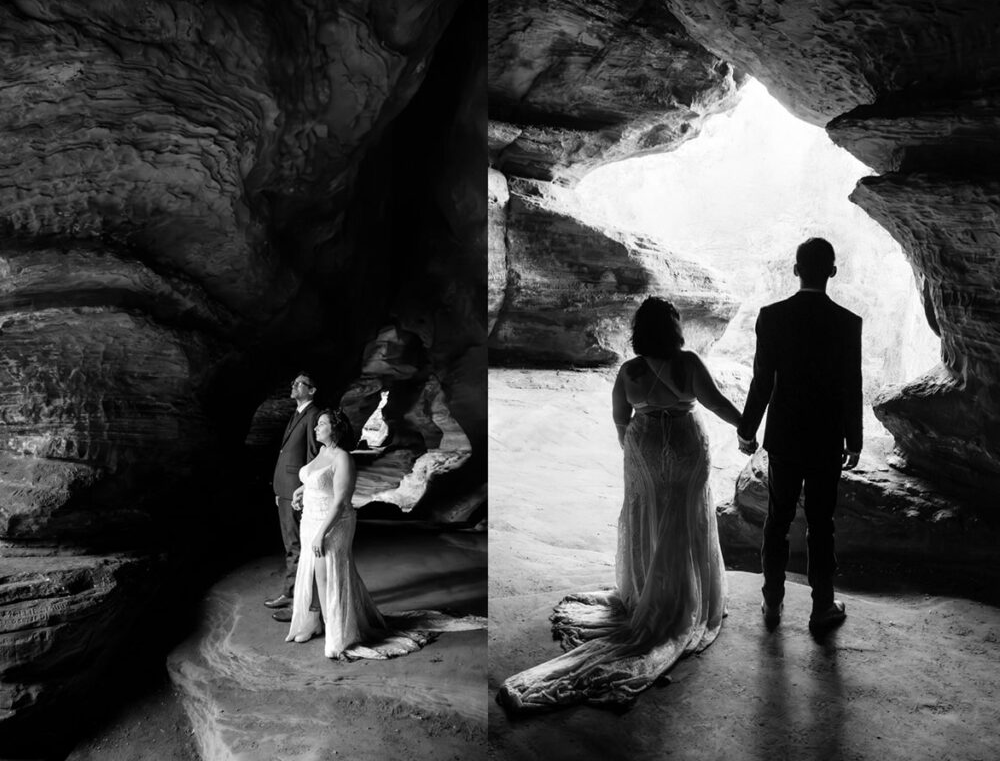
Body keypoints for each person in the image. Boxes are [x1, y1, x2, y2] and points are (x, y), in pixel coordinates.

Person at [497, 297, 745, 712]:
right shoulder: (688, 365)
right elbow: (716, 403)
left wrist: (634, 450)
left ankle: (648, 589)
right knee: (685, 518)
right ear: (674, 329)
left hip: (643, 445)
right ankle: (685, 599)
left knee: (647, 516)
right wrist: (746, 426)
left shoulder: (629, 371)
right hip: (685, 443)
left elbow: (620, 418)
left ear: (639, 331)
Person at [737, 237, 862, 634]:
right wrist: (854, 439)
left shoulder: (772, 316)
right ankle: (821, 607)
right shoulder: (847, 323)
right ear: (833, 271)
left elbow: (762, 381)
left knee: (777, 520)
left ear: (795, 270)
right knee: (821, 524)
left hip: (785, 436)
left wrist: (747, 429)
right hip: (826, 439)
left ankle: (772, 603)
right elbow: (850, 386)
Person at [285, 409, 441, 659]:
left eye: (321, 424)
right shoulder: (323, 452)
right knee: (312, 572)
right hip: (309, 518)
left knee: (327, 575)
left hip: (332, 522)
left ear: (334, 429)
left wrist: (321, 534)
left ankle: (335, 634)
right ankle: (313, 623)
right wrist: (300, 491)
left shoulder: (343, 458)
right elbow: (317, 479)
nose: (315, 428)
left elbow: (341, 501)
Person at [265, 372, 320, 622]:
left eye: (300, 384)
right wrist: (280, 490)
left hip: (296, 490)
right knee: (290, 544)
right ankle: (289, 593)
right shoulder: (296, 414)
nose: (294, 386)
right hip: (285, 489)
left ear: (312, 390)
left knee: (297, 545)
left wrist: (303, 489)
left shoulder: (313, 415)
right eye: (293, 382)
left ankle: (299, 601)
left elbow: (312, 454)